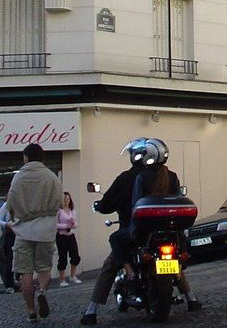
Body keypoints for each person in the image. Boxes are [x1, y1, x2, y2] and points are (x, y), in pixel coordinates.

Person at [80, 140, 146, 326]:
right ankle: (191, 297)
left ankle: (91, 310)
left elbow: (108, 202)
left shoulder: (126, 178)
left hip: (132, 230)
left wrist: (101, 205)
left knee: (109, 265)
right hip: (161, 231)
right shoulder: (165, 176)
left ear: (134, 156)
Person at [129, 140, 200, 311]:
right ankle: (190, 297)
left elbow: (136, 203)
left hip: (149, 229)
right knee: (179, 245)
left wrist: (134, 228)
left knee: (130, 245)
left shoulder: (142, 177)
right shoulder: (172, 176)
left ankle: (132, 275)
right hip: (171, 227)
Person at [6, 143, 62, 323]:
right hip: (46, 230)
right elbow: (60, 201)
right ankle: (42, 291)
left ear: (26, 157)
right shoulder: (51, 177)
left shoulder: (19, 178)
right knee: (44, 267)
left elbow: (11, 202)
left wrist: (14, 218)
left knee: (25, 272)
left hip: (24, 230)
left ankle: (31, 310)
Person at [56, 191, 82, 287]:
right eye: (64, 199)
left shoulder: (72, 210)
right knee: (62, 257)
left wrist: (73, 224)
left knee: (75, 256)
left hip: (70, 235)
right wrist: (65, 226)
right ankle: (62, 279)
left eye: (68, 199)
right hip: (61, 236)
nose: (66, 201)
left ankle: (73, 276)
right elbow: (54, 224)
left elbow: (75, 223)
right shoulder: (59, 210)